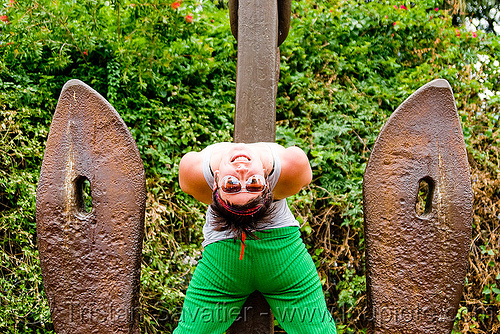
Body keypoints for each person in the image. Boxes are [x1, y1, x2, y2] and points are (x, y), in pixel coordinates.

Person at [174, 142, 337, 334]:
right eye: (233, 184)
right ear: (268, 184)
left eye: (233, 184)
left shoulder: (195, 173)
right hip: (283, 261)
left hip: (223, 268)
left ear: (215, 183)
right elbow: (305, 178)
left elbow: (188, 185)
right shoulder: (291, 166)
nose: (241, 170)